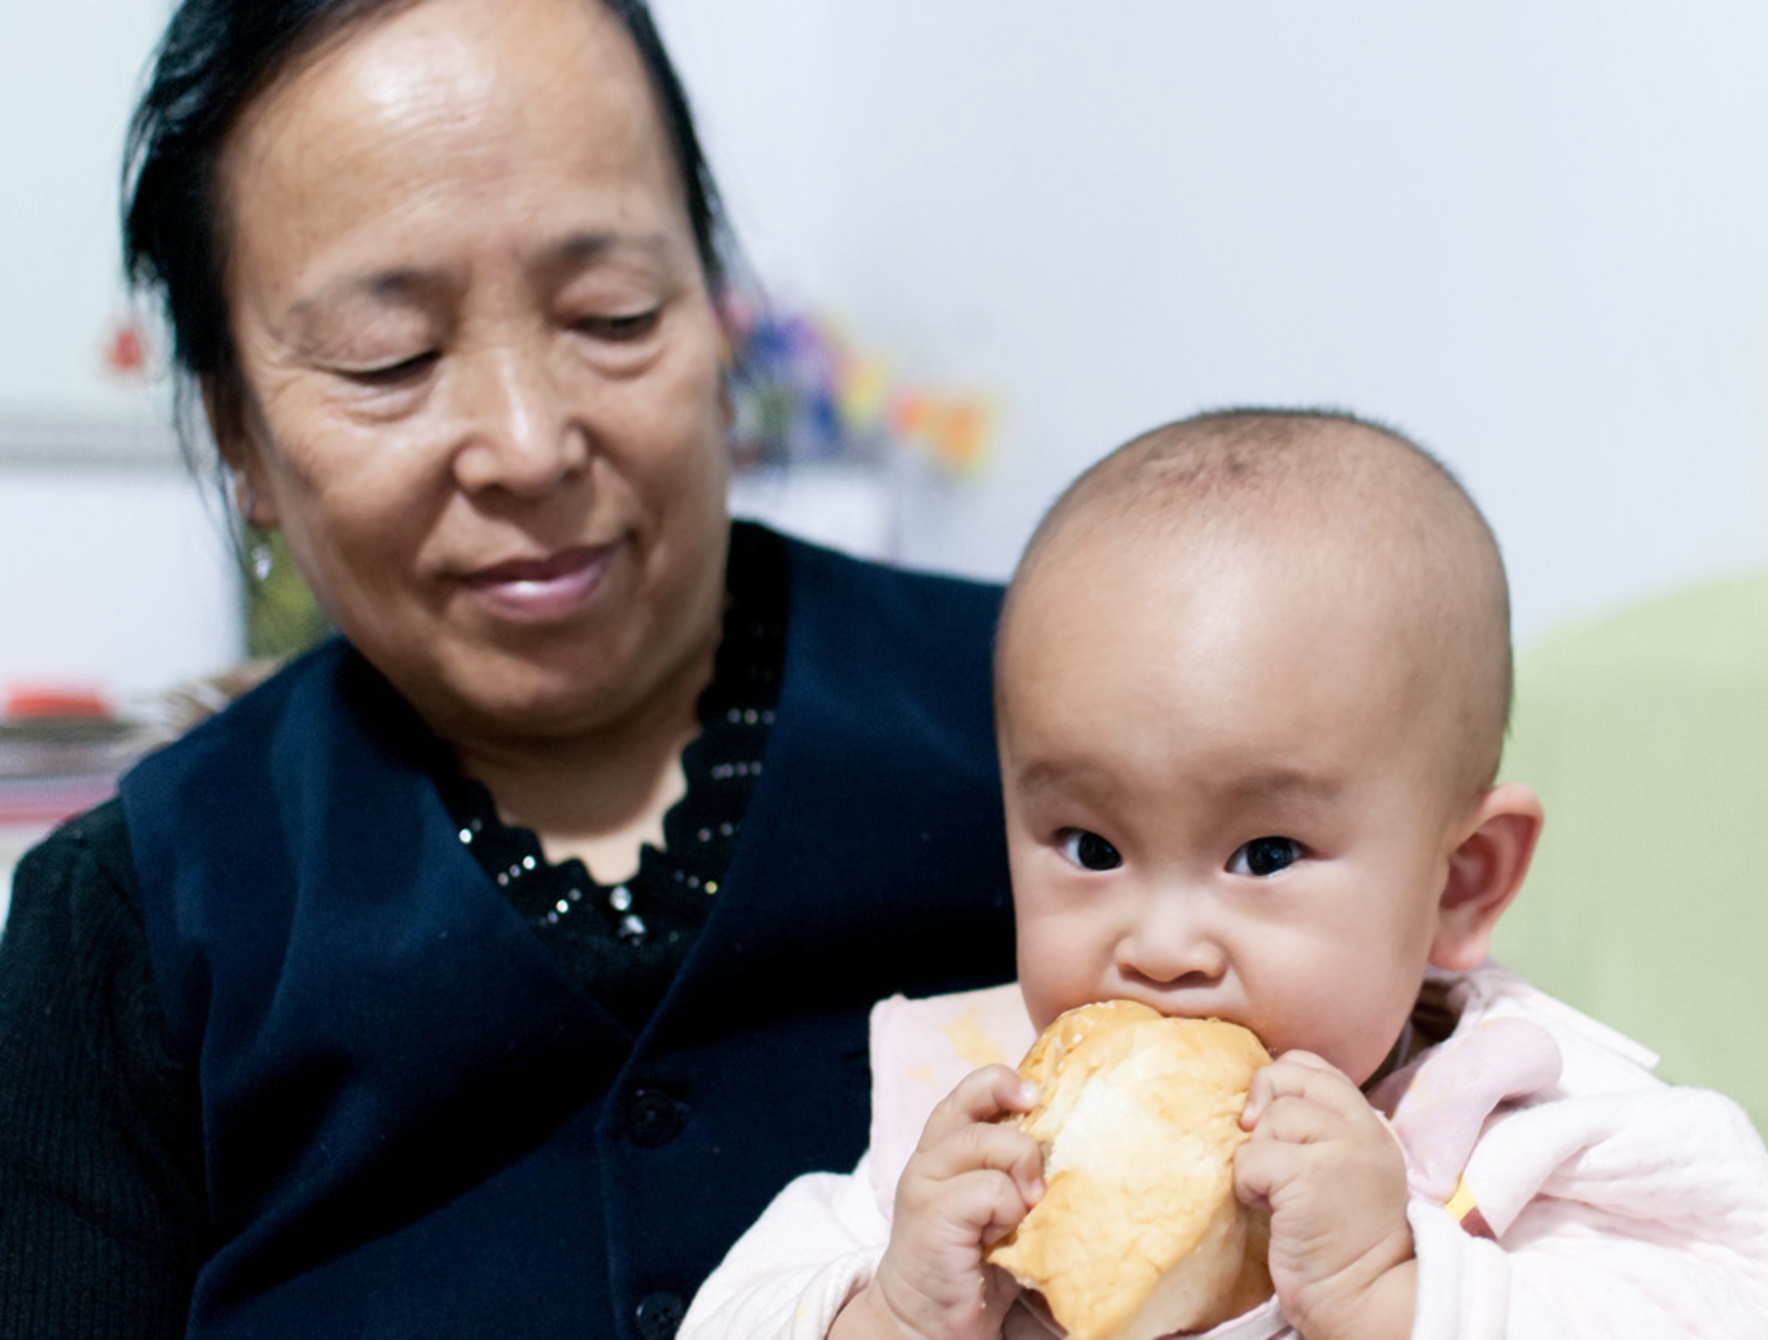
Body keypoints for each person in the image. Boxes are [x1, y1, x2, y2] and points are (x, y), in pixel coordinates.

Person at [0, 0, 1016, 1335]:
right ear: (237, 434)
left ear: (714, 315)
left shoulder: (1047, 719)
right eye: (393, 357)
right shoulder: (130, 929)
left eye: (613, 314)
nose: (530, 445)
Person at [681, 410, 1768, 1340]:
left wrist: (1395, 1292)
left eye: (1264, 855)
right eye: (1090, 846)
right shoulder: (966, 1140)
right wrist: (888, 1315)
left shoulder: (1543, 1137)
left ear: (1462, 880)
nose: (1161, 943)